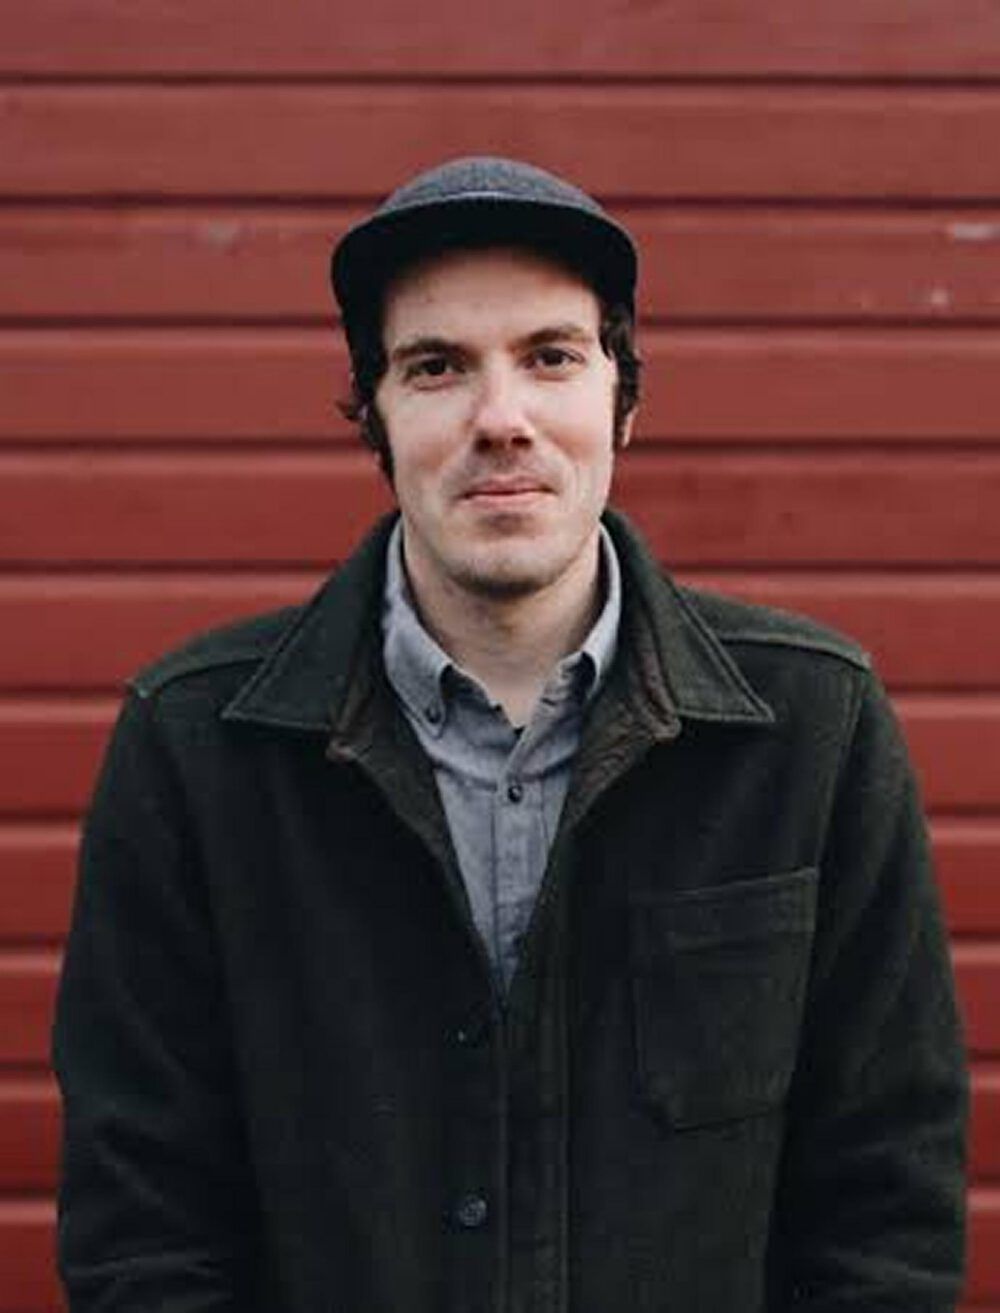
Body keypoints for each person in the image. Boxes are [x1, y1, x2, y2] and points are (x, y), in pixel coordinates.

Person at [53, 155, 968, 1312]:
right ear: (375, 414)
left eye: (551, 357)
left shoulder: (811, 730)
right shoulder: (195, 748)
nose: (501, 419)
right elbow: (143, 1228)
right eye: (436, 366)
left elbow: (887, 1213)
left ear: (623, 400)